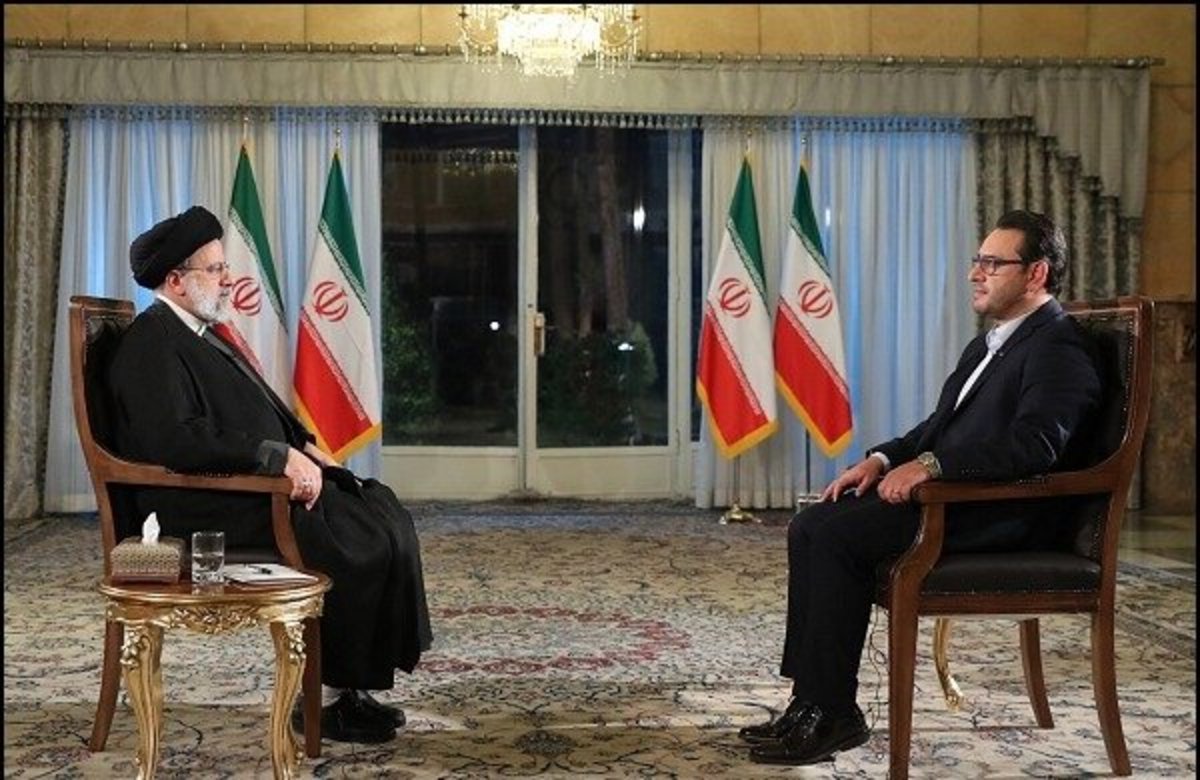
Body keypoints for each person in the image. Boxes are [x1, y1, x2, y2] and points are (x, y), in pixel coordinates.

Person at [742, 209, 1102, 765]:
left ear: (1036, 274)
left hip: (1003, 511)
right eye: (977, 261)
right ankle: (811, 701)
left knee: (837, 537)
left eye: (993, 263)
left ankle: (834, 714)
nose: (975, 273)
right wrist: (884, 458)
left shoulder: (1058, 347)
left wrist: (932, 466)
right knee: (811, 523)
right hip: (959, 497)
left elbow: (1034, 446)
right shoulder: (991, 344)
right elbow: (938, 426)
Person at [107, 205, 433, 745]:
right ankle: (327, 701)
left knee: (378, 508)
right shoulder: (152, 341)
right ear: (176, 281)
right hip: (198, 503)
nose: (227, 279)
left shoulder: (199, 332)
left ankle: (347, 688)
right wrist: (274, 457)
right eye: (215, 269)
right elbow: (177, 440)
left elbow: (254, 407)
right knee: (353, 536)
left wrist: (303, 446)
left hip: (241, 487)